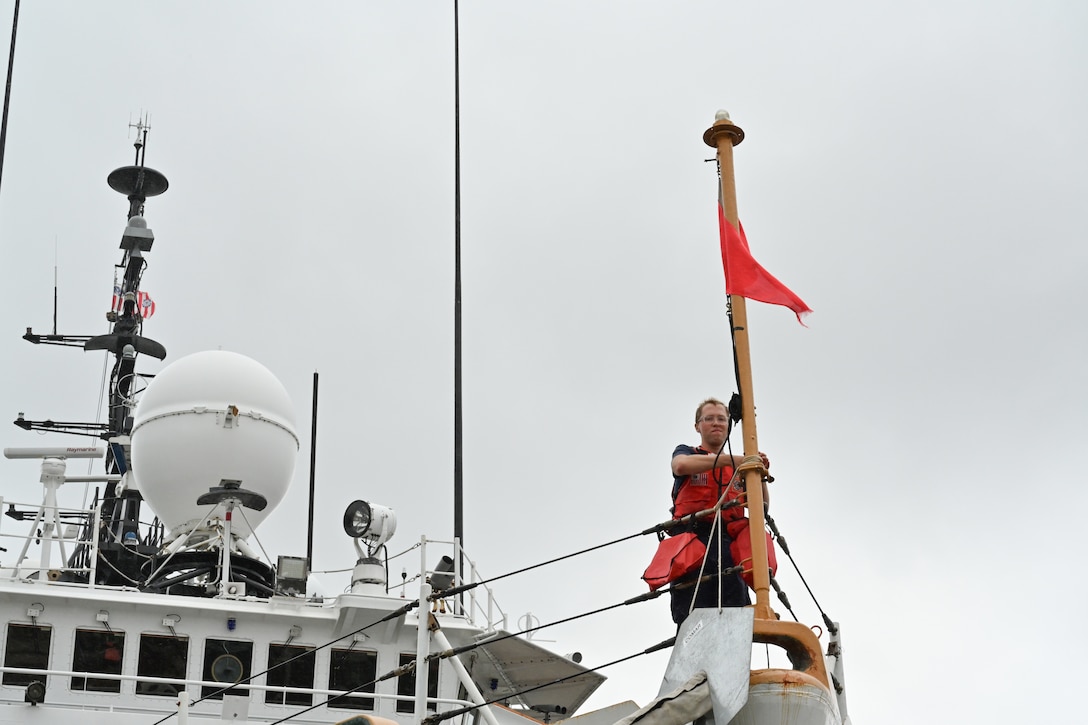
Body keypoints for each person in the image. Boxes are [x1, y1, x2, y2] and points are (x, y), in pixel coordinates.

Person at [668, 397, 769, 626]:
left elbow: (761, 508)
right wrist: (735, 460)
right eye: (709, 418)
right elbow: (680, 466)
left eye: (722, 419)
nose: (716, 423)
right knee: (692, 620)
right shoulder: (686, 452)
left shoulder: (743, 468)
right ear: (697, 426)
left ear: (728, 424)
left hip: (730, 547)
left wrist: (758, 473)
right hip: (693, 544)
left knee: (735, 618)